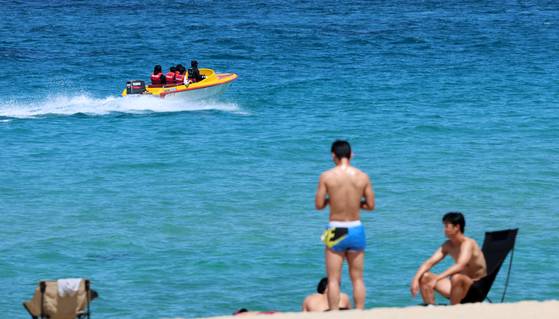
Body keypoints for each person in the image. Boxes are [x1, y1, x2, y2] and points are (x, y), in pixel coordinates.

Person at [315, 140, 375, 310]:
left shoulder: (326, 176)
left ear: (333, 155)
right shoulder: (362, 176)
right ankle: (360, 312)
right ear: (351, 154)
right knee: (357, 278)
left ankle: (334, 313)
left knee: (333, 279)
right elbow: (370, 205)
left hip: (336, 228)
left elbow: (319, 205)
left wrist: (331, 200)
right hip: (356, 227)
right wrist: (356, 204)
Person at [410, 212, 487, 305]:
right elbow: (429, 262)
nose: (444, 229)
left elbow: (460, 265)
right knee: (425, 277)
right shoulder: (448, 245)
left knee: (457, 277)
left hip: (475, 289)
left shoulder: (469, 243)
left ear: (457, 227)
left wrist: (438, 278)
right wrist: (415, 279)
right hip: (457, 288)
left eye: (447, 226)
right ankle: (430, 309)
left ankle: (452, 312)